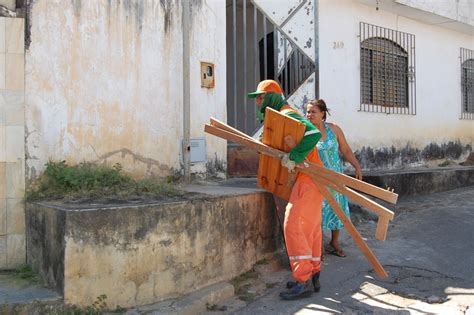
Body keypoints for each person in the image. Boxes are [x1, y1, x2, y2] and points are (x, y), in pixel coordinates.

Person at [248, 80, 324, 300]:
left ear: (272, 97)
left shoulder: (286, 113)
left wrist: (293, 157)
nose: (258, 103)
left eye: (261, 98)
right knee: (310, 227)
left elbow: (313, 134)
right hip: (312, 178)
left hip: (308, 177)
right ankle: (313, 273)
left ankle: (304, 279)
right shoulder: (282, 115)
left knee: (293, 224)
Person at [305, 99, 362, 258]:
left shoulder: (334, 129)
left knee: (337, 209)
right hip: (316, 179)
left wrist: (357, 166)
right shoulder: (306, 132)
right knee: (318, 212)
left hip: (336, 178)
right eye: (308, 111)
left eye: (313, 112)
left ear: (322, 114)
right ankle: (318, 246)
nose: (309, 115)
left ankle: (334, 241)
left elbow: (345, 149)